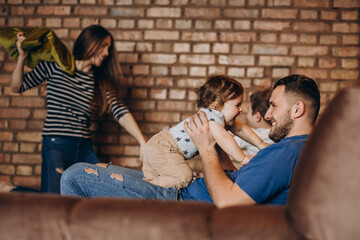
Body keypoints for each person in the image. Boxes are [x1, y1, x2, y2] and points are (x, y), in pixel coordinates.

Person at [61, 74, 320, 208]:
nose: (267, 114)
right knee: (92, 172)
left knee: (74, 176)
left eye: (274, 106)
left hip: (180, 196)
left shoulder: (287, 153)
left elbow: (228, 203)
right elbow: (237, 172)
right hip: (183, 187)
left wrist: (207, 147)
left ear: (297, 110)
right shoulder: (290, 151)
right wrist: (227, 155)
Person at [10, 25, 146, 193]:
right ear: (89, 42)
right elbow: (17, 87)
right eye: (103, 46)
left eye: (108, 48)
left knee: (98, 190)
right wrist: (21, 58)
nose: (106, 52)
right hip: (57, 144)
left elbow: (120, 111)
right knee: (54, 200)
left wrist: (141, 141)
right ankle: (11, 191)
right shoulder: (55, 66)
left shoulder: (99, 81)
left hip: (84, 148)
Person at [142, 75, 269, 189]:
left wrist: (260, 144)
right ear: (216, 106)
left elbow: (241, 129)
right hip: (164, 147)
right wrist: (243, 158)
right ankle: (143, 186)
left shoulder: (218, 118)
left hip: (158, 146)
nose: (241, 109)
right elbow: (224, 138)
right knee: (184, 178)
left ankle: (140, 183)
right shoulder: (213, 119)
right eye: (237, 105)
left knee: (155, 176)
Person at [232, 88, 274, 157]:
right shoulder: (276, 134)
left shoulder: (253, 134)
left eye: (248, 110)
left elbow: (231, 142)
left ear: (257, 117)